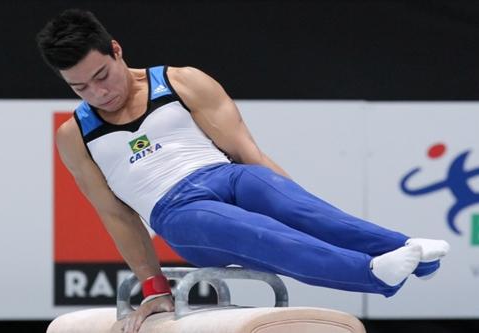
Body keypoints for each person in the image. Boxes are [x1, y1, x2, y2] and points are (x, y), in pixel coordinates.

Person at [37, 9, 450, 333]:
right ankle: (372, 275)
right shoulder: (75, 136)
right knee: (261, 233)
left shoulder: (182, 82)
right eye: (80, 88)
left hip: (227, 175)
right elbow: (116, 215)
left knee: (281, 196)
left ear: (116, 49)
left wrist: (293, 203)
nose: (99, 93)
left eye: (101, 76)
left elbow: (247, 153)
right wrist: (153, 286)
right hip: (179, 213)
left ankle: (407, 252)